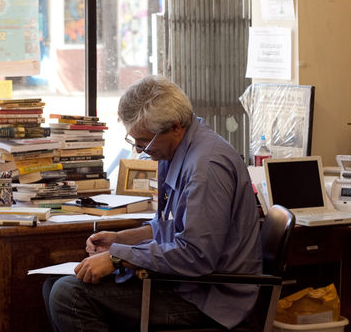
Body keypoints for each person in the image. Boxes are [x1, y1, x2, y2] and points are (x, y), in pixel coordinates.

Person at [43, 75, 262, 331]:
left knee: (69, 296)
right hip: (185, 283)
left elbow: (196, 255)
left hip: (209, 299)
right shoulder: (179, 151)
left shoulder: (206, 167)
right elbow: (171, 226)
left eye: (145, 141)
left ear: (176, 127)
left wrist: (117, 259)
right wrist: (121, 239)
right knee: (53, 285)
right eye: (134, 141)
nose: (139, 150)